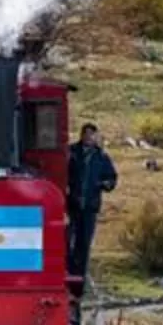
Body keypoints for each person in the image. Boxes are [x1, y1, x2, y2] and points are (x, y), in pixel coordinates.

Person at [63, 122, 118, 288]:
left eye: (91, 134)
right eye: (85, 134)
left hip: (90, 207)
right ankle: (68, 272)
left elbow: (112, 178)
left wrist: (104, 184)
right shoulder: (72, 153)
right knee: (68, 240)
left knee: (84, 242)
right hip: (72, 205)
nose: (88, 137)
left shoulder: (101, 157)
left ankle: (80, 277)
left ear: (95, 136)